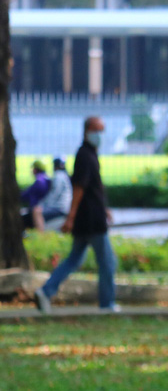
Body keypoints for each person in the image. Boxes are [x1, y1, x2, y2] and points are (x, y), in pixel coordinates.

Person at [34, 117, 118, 314]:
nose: (100, 135)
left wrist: (103, 208)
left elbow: (92, 189)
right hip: (91, 220)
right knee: (107, 262)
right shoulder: (85, 155)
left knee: (74, 259)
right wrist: (71, 217)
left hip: (88, 217)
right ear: (88, 130)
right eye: (98, 130)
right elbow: (79, 188)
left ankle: (46, 291)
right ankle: (107, 304)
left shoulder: (89, 154)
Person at [19, 161, 51, 229]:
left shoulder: (39, 181)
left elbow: (27, 195)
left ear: (35, 169)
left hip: (37, 209)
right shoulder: (46, 179)